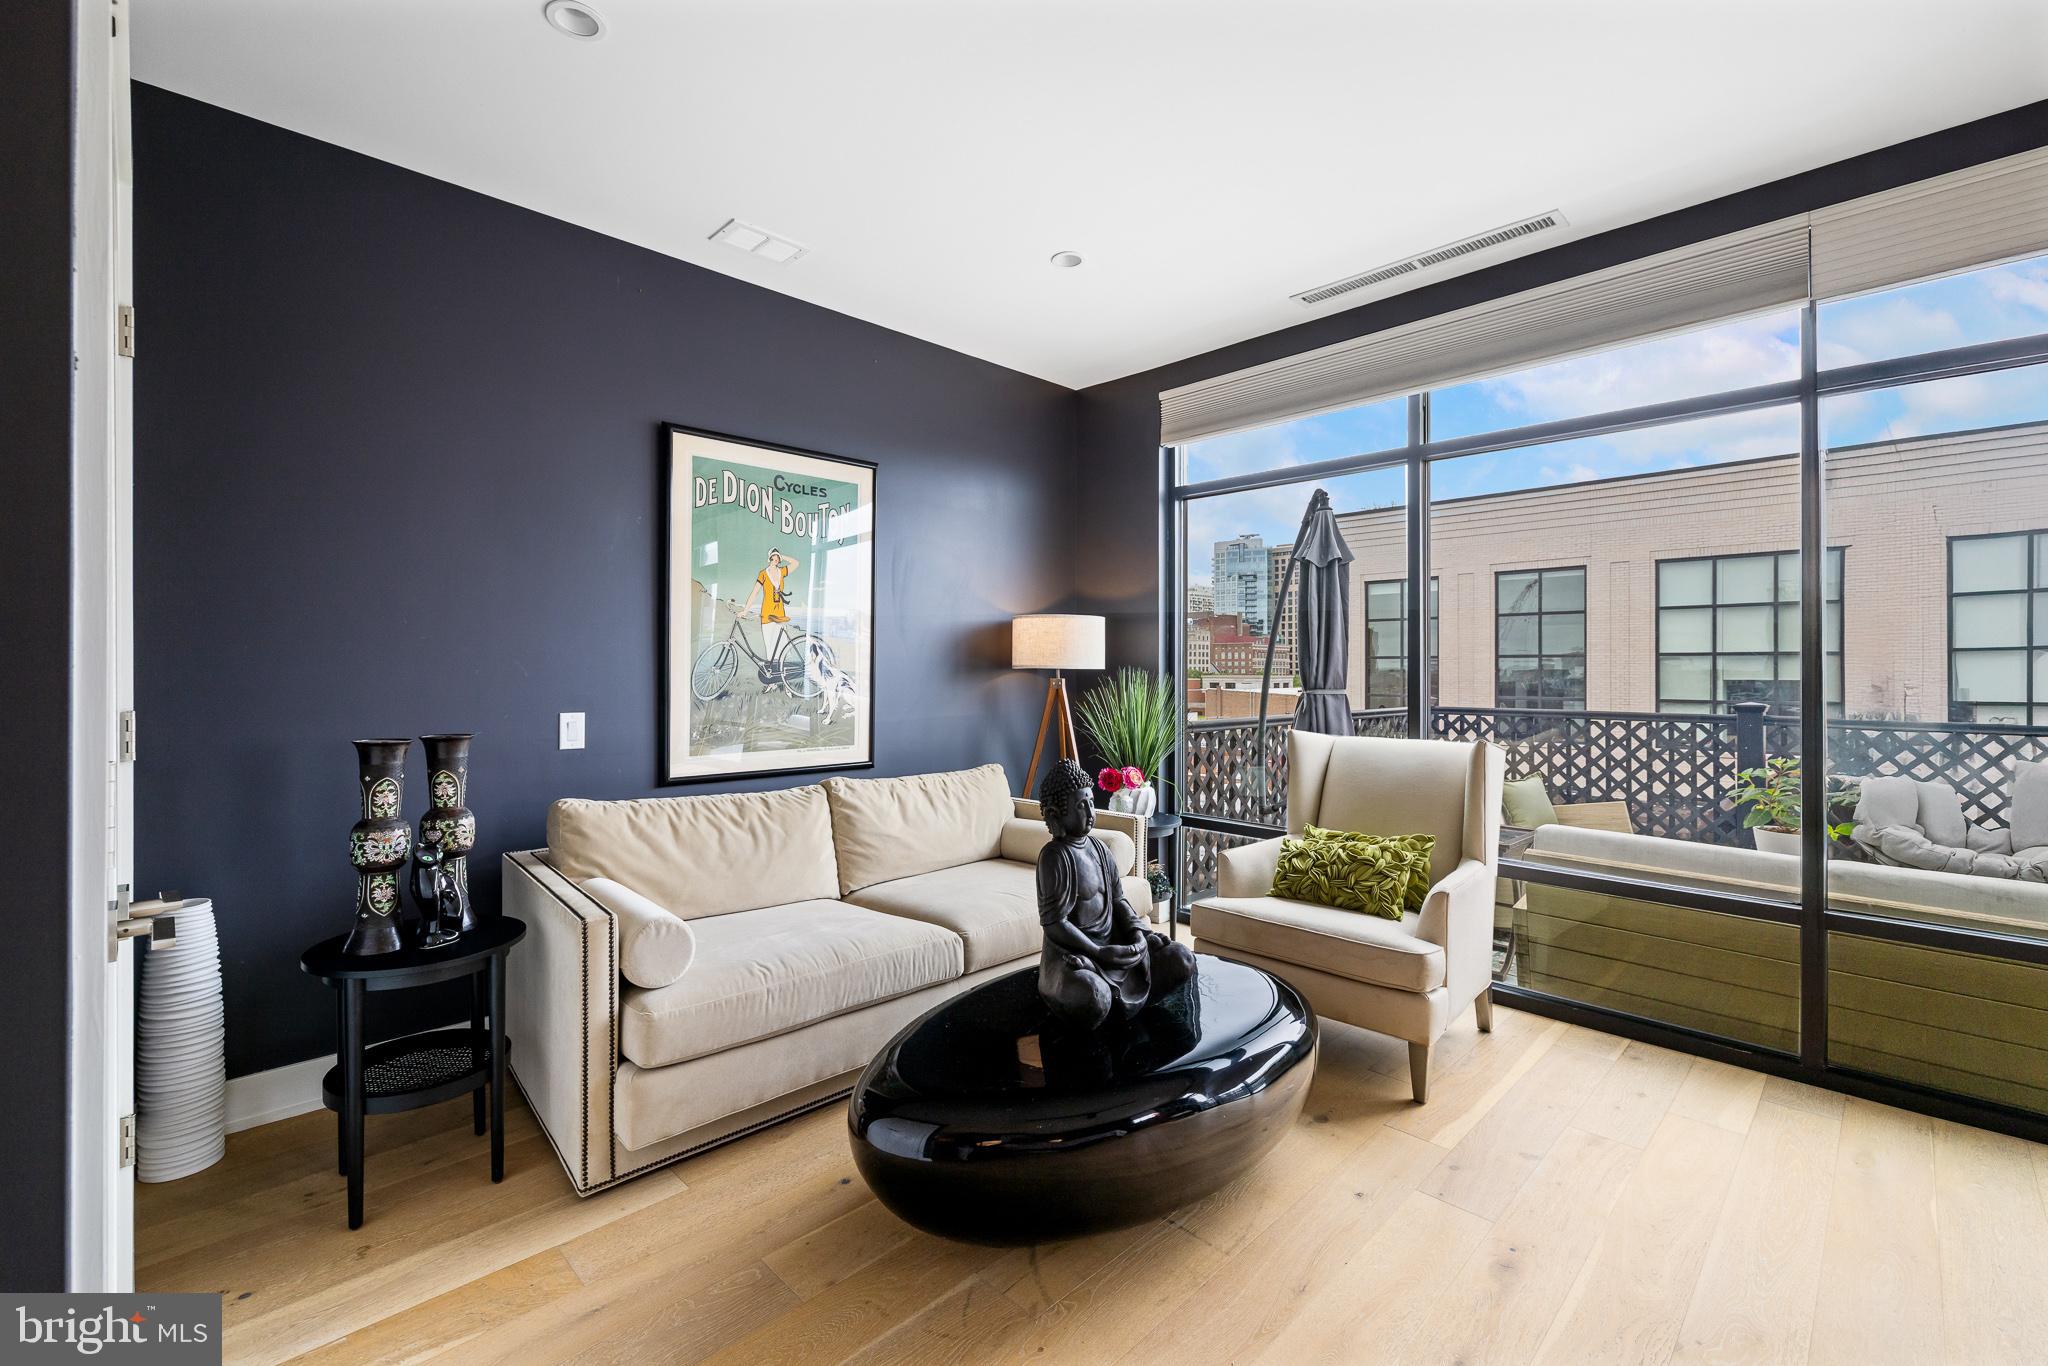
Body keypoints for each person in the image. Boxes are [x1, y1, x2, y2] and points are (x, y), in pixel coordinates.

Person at [1034, 758, 1195, 1029]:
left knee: (1182, 958)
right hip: (1079, 957)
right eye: (1080, 806)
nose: (1089, 811)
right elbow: (1054, 923)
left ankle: (1131, 1006)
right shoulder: (1055, 858)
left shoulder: (1100, 849)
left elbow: (1118, 900)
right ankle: (1111, 1006)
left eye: (1090, 802)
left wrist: (1139, 935)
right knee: (1094, 996)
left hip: (1115, 948)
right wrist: (1097, 950)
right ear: (1056, 815)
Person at [739, 548, 799, 655]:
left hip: (779, 612)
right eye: (773, 557)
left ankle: (781, 668)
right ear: (769, 558)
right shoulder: (763, 574)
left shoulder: (782, 571)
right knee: (769, 645)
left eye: (777, 558)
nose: (775, 559)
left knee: (781, 646)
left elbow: (795, 563)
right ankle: (772, 669)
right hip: (767, 612)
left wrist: (782, 555)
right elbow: (754, 593)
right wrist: (745, 610)